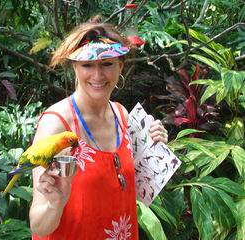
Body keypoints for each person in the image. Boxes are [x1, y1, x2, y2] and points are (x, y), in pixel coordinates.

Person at [29, 16, 168, 240]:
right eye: (87, 65)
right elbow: (39, 226)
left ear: (120, 66)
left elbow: (135, 188)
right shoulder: (57, 125)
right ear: (75, 67)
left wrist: (155, 147)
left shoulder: (122, 116)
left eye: (106, 64)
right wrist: (55, 204)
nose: (97, 75)